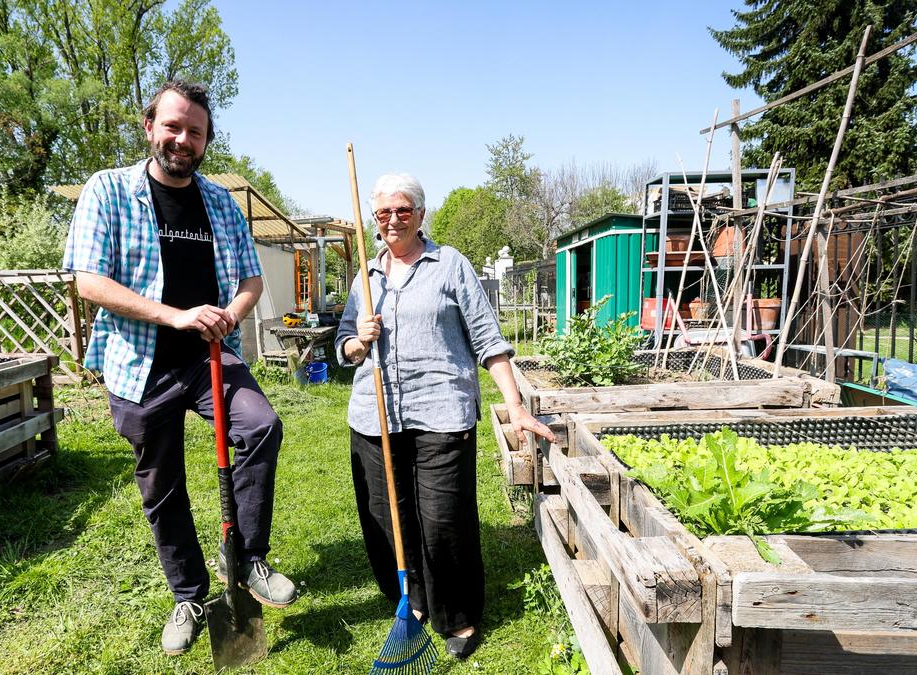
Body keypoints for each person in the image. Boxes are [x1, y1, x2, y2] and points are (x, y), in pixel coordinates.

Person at [62, 80, 297, 656]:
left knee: (260, 426)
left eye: (195, 131)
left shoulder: (219, 202)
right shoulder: (110, 191)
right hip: (138, 364)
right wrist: (174, 316)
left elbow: (249, 281)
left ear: (207, 140)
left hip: (208, 359)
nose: (182, 139)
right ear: (150, 127)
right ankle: (189, 593)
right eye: (172, 126)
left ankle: (245, 559)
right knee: (162, 486)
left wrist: (228, 316)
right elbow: (87, 280)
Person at [336, 173, 555, 660]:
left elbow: (488, 340)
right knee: (385, 516)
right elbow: (343, 347)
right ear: (373, 220)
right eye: (384, 212)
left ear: (420, 214)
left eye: (403, 210)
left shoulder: (449, 264)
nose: (393, 219)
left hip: (441, 410)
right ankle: (409, 602)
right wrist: (357, 339)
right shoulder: (365, 279)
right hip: (375, 416)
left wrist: (515, 406)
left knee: (443, 520)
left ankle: (457, 615)